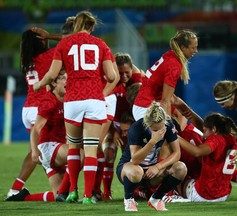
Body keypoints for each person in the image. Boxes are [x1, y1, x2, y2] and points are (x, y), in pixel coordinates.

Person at [33, 11, 117, 204]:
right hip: (94, 99)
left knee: (73, 148)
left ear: (75, 25)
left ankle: (72, 191)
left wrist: (38, 85)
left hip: (73, 100)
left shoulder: (64, 44)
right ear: (92, 27)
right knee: (90, 150)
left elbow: (52, 74)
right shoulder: (101, 44)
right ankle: (88, 196)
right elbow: (112, 77)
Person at [6, 71, 83, 202]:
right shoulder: (49, 101)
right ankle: (66, 191)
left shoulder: (69, 98)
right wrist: (35, 151)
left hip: (57, 149)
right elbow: (36, 128)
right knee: (80, 154)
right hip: (48, 147)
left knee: (57, 195)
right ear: (53, 82)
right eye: (63, 79)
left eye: (67, 78)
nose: (67, 81)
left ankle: (23, 198)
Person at [116, 102, 187, 211]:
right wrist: (152, 141)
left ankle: (156, 199)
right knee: (137, 171)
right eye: (154, 130)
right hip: (130, 170)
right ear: (147, 124)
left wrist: (158, 166)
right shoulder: (137, 128)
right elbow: (135, 159)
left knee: (180, 168)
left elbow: (177, 153)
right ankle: (129, 199)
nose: (159, 132)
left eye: (161, 128)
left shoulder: (168, 125)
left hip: (151, 171)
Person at [132, 29, 203, 130]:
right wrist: (170, 128)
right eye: (193, 48)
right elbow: (165, 101)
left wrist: (185, 109)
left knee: (184, 110)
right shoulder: (174, 66)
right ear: (183, 47)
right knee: (168, 139)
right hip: (145, 109)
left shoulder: (171, 54)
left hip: (148, 104)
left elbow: (169, 97)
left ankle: (206, 132)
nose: (196, 51)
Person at [96, 52, 142, 200]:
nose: (123, 76)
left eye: (126, 72)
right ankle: (106, 192)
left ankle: (135, 189)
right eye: (119, 72)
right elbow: (104, 109)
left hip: (131, 126)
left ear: (132, 70)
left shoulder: (138, 80)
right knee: (108, 153)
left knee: (130, 157)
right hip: (111, 124)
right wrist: (114, 131)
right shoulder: (109, 83)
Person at [175, 113, 237, 202]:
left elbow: (197, 152)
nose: (204, 136)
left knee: (177, 173)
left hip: (203, 195)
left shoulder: (215, 139)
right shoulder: (232, 139)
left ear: (214, 129)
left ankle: (171, 196)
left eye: (204, 131)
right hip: (224, 195)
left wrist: (175, 136)